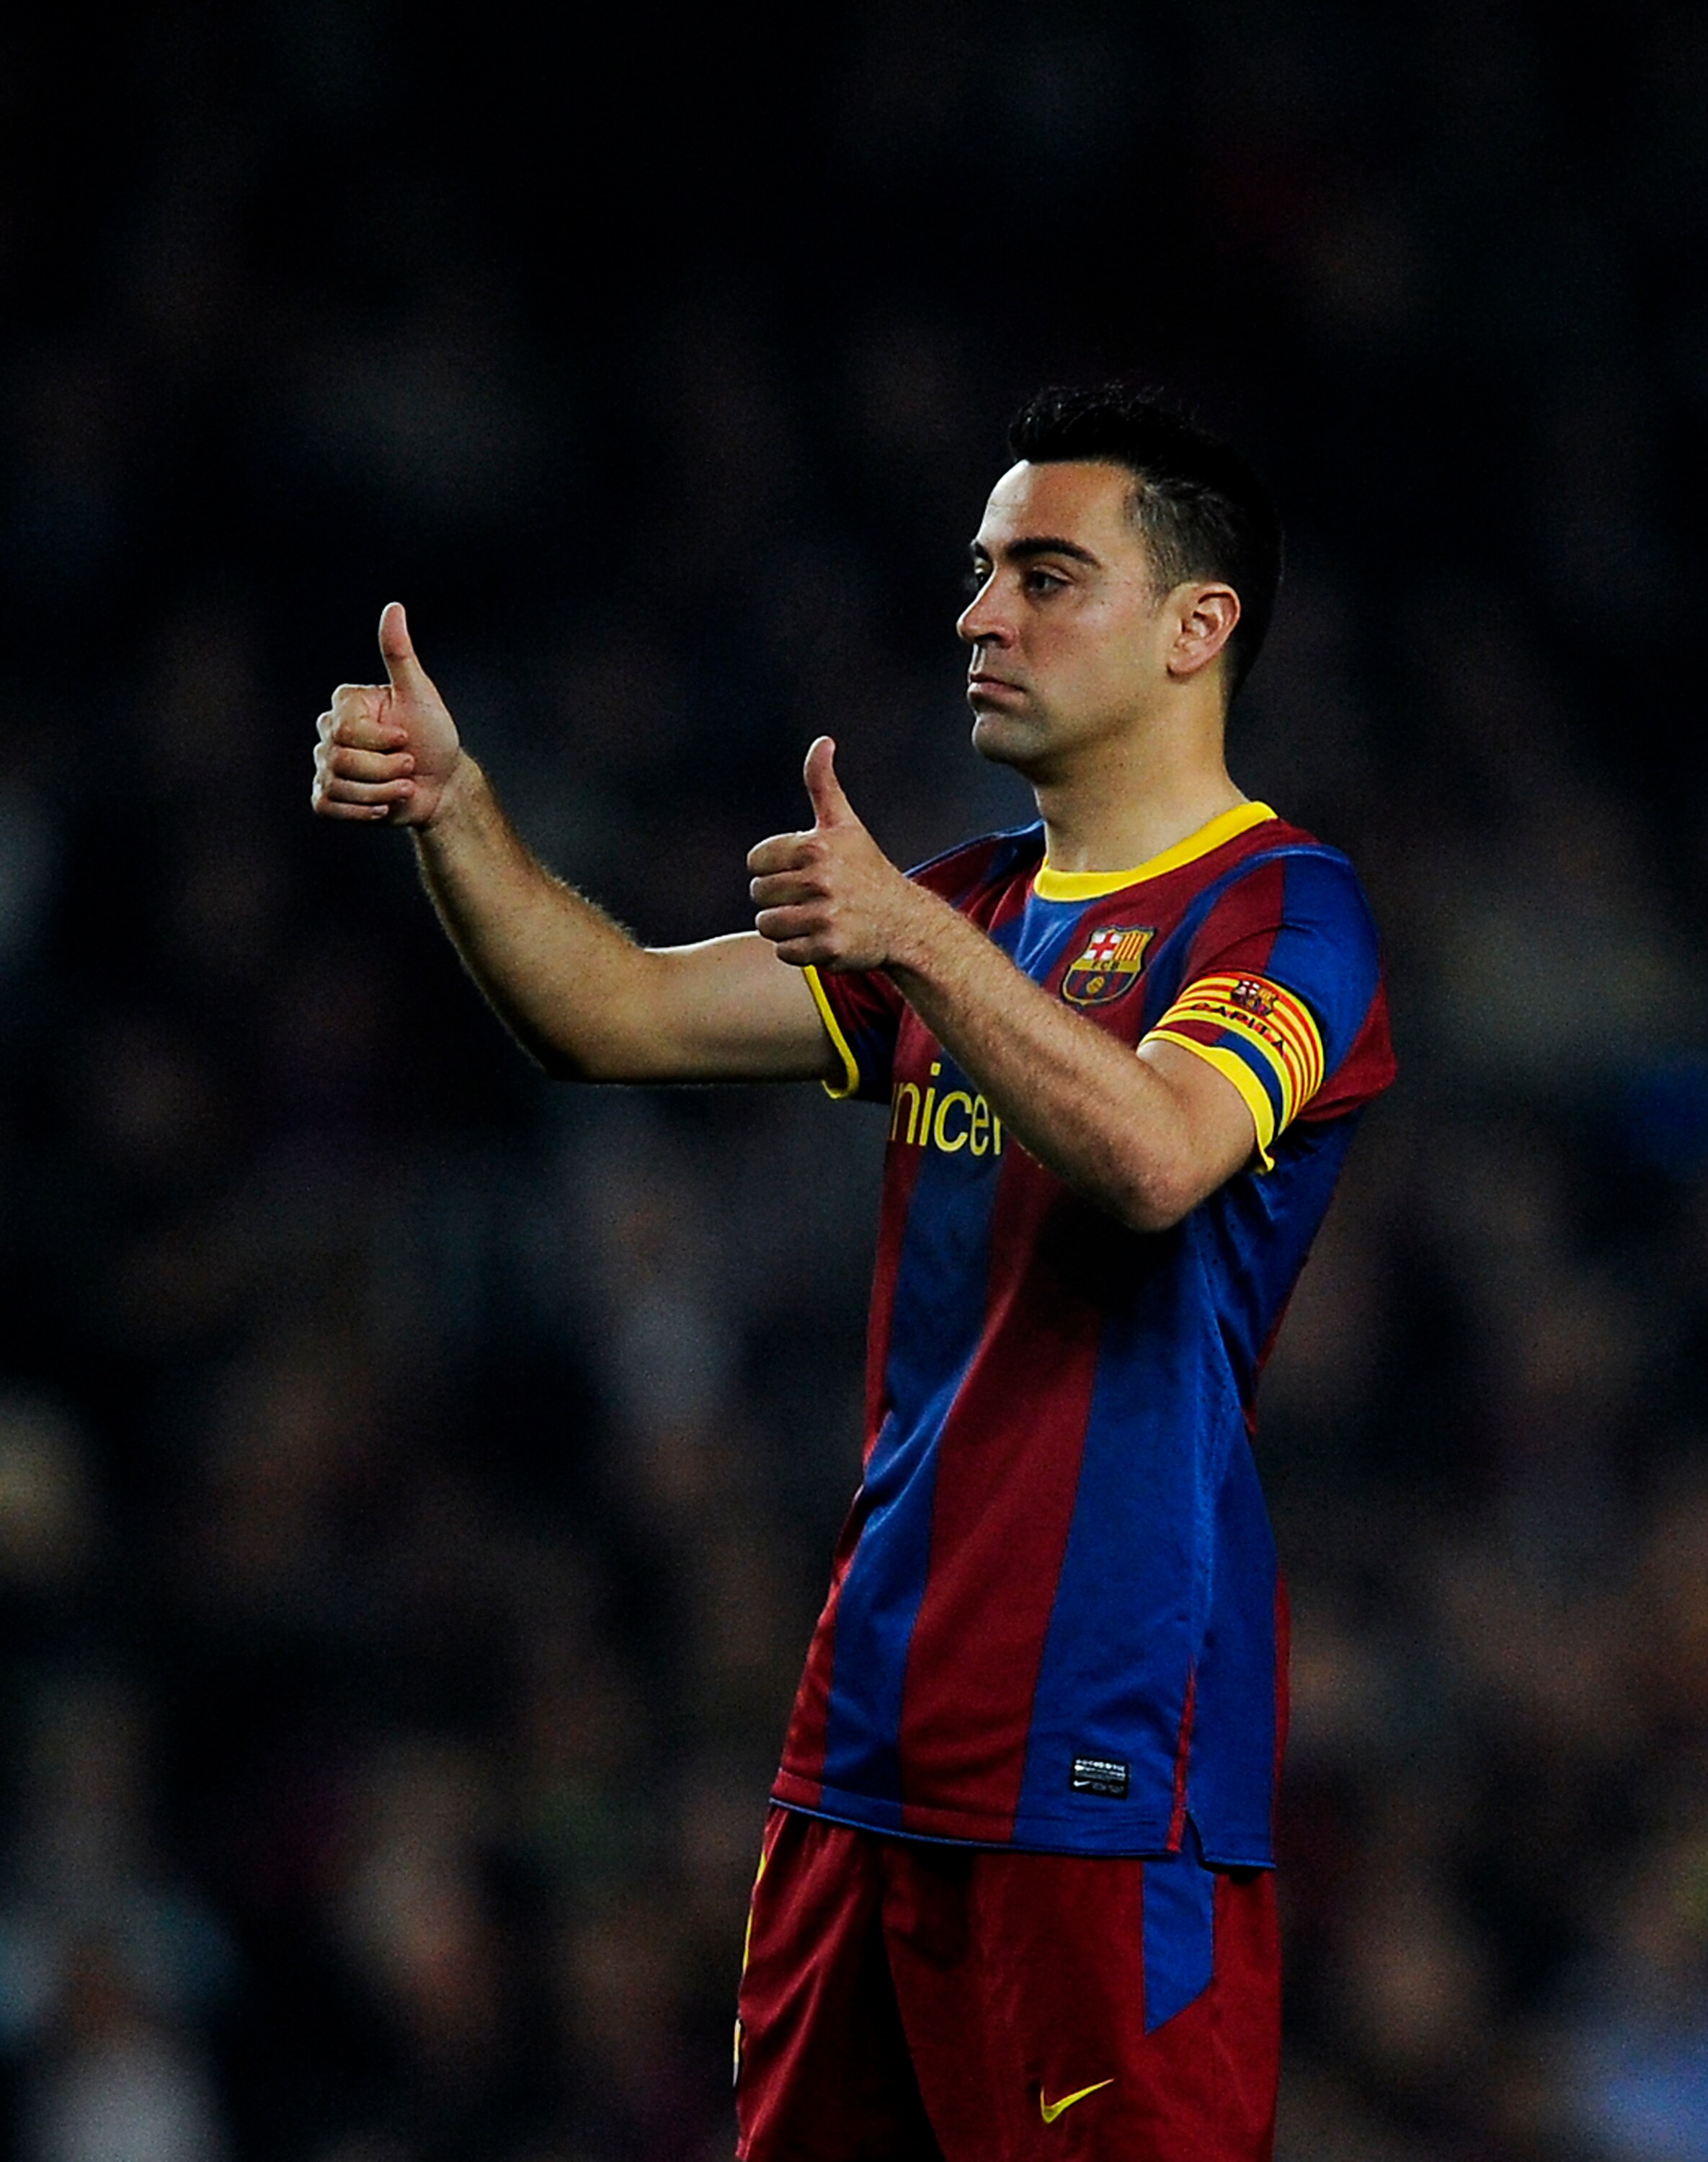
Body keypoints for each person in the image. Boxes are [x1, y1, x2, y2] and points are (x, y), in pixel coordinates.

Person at [311, 383, 1395, 2162]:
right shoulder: (965, 909)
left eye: (1047, 575)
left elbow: (1156, 1154)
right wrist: (457, 806)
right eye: (981, 573)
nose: (981, 615)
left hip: (1108, 1768)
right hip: (864, 1747)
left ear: (1202, 629)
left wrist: (907, 938)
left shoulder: (1284, 909)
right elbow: (611, 1010)